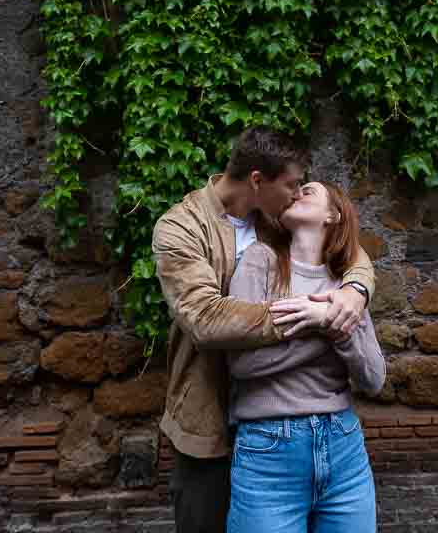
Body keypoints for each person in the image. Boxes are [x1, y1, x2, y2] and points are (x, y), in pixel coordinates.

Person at [152, 127, 377, 533]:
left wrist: (356, 289)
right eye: (292, 185)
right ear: (257, 180)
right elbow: (204, 318)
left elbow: (347, 250)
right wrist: (318, 318)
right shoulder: (180, 228)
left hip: (286, 417)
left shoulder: (276, 219)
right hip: (209, 410)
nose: (296, 194)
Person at [225, 180, 385, 533]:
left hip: (344, 447)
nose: (296, 192)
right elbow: (242, 363)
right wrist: (328, 325)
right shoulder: (260, 261)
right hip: (269, 450)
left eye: (308, 190)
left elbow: (373, 378)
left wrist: (328, 320)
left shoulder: (347, 286)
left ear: (334, 214)